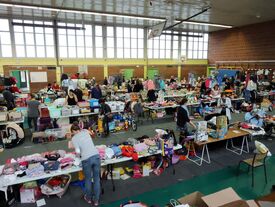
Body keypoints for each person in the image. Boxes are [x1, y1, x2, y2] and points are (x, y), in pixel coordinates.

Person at [69, 122, 100, 206]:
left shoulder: (74, 138)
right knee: (97, 179)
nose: (72, 134)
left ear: (74, 131)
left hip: (86, 159)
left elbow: (78, 152)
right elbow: (92, 136)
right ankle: (96, 201)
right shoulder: (85, 131)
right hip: (96, 156)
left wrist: (77, 159)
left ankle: (88, 198)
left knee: (88, 179)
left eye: (72, 132)